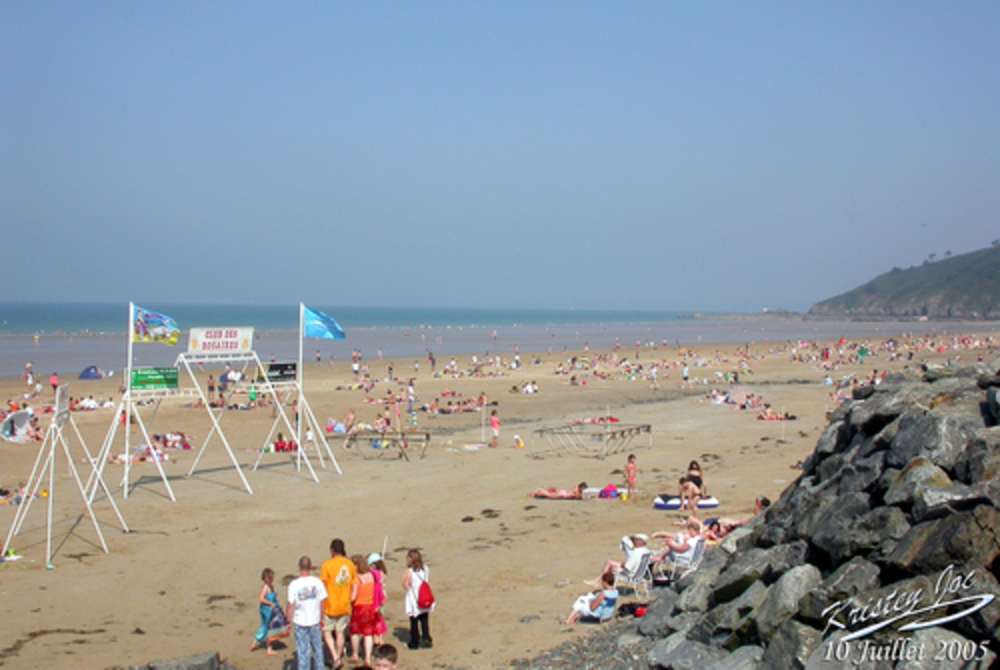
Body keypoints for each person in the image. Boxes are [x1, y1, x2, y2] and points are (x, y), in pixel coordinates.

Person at [286, 556, 328, 670]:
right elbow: (322, 601)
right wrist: (322, 617)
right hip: (313, 620)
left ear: (299, 567)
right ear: (310, 567)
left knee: (303, 651)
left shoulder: (294, 584)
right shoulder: (317, 582)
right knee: (317, 649)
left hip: (301, 621)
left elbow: (290, 604)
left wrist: (287, 621)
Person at [321, 538, 357, 670]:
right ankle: (337, 655)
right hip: (344, 604)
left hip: (330, 604)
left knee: (327, 632)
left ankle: (336, 658)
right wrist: (351, 599)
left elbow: (323, 586)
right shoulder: (350, 565)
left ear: (332, 550)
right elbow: (354, 584)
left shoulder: (327, 565)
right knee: (340, 632)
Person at [349, 554, 378, 666]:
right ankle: (367, 658)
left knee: (354, 631)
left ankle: (355, 654)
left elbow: (354, 596)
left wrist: (348, 600)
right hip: (370, 606)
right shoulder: (371, 576)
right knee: (368, 633)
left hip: (359, 607)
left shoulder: (358, 578)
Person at [402, 548, 433, 650]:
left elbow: (405, 585)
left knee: (414, 621)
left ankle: (414, 642)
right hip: (424, 595)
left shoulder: (409, 571)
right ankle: (426, 639)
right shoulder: (425, 568)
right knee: (424, 619)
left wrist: (404, 580)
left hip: (414, 597)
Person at [250, 567, 280, 656]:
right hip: (267, 611)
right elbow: (261, 598)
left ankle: (255, 642)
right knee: (269, 628)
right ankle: (268, 648)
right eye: (270, 578)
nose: (271, 579)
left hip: (270, 610)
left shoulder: (271, 586)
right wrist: (270, 604)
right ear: (265, 579)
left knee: (265, 627)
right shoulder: (265, 587)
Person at [367, 553, 389, 645]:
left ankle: (376, 637)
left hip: (376, 598)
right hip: (383, 597)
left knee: (374, 619)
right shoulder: (383, 573)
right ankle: (380, 637)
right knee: (380, 618)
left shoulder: (374, 574)